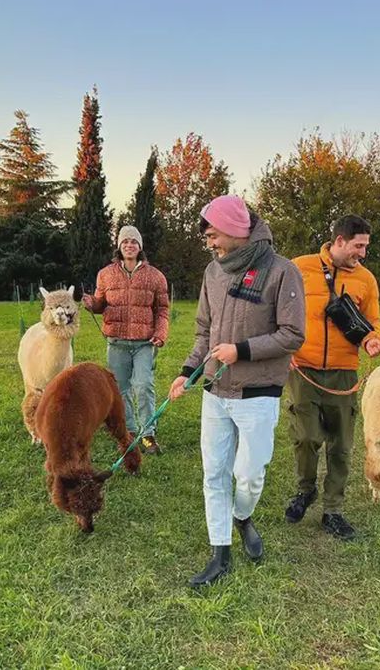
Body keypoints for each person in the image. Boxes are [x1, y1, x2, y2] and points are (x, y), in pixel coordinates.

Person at [168, 195, 305, 588]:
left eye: (212, 234)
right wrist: (188, 371)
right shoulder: (213, 272)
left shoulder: (282, 272)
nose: (209, 243)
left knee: (248, 476)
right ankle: (220, 554)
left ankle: (243, 516)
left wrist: (241, 351)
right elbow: (203, 330)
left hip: (258, 395)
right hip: (215, 391)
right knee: (214, 474)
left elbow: (293, 334)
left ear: (234, 228)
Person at [285, 215, 380, 540]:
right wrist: (282, 346)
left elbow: (374, 320)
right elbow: (277, 309)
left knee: (341, 445)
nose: (363, 253)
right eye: (359, 245)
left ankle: (333, 510)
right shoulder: (299, 268)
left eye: (366, 246)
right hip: (303, 368)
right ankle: (305, 491)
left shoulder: (366, 279)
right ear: (339, 241)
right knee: (307, 437)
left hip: (344, 373)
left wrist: (373, 339)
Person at [82, 225, 170, 454]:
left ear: (140, 247)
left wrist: (160, 333)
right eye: (125, 242)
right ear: (119, 246)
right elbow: (101, 303)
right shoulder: (105, 274)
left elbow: (162, 310)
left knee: (143, 386)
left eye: (134, 242)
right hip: (117, 342)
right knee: (120, 390)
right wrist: (92, 303)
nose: (129, 245)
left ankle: (148, 433)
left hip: (144, 343)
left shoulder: (156, 276)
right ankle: (129, 431)